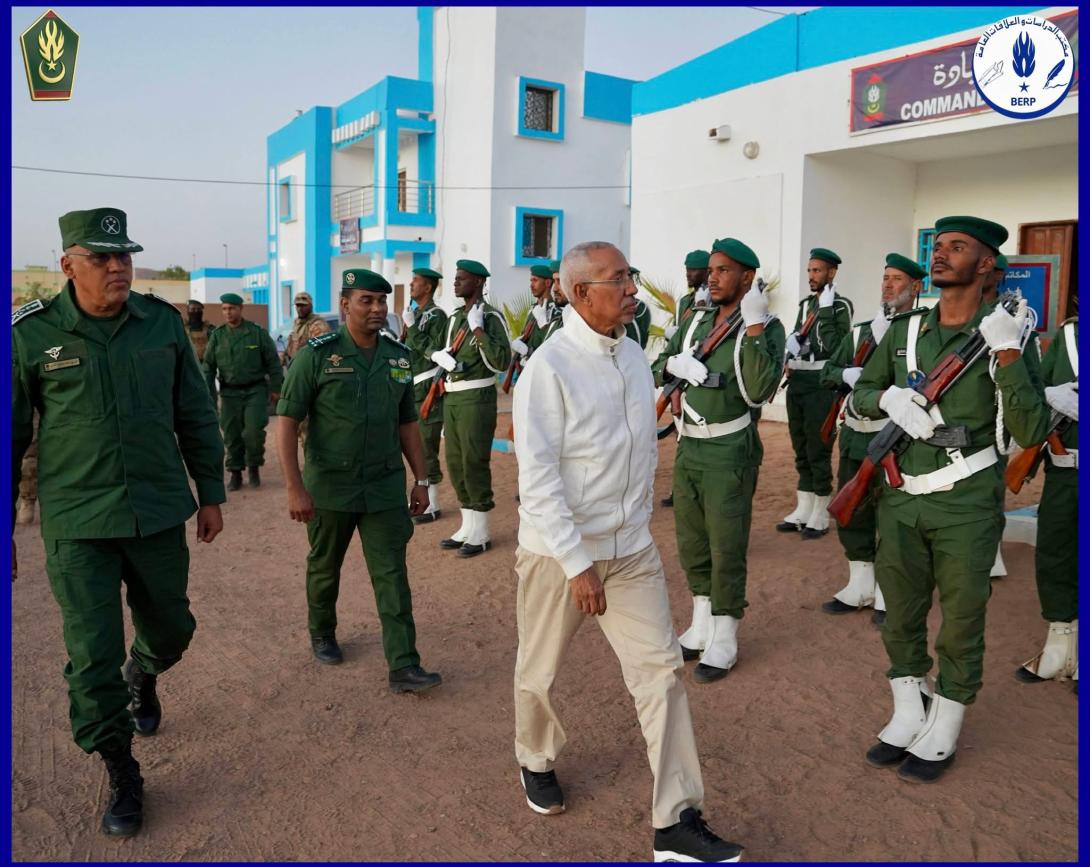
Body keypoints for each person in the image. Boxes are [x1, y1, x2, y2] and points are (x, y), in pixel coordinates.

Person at [512, 241, 743, 862]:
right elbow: (539, 479)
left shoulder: (635, 355)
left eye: (630, 277)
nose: (633, 289)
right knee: (539, 671)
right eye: (618, 280)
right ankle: (535, 756)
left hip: (631, 550)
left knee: (662, 675)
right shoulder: (549, 369)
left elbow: (641, 450)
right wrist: (577, 563)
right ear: (580, 293)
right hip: (560, 553)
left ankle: (677, 821)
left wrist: (635, 525)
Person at [11, 207, 225, 836]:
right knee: (91, 656)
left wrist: (211, 491)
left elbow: (194, 412)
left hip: (156, 510)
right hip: (78, 523)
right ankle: (120, 767)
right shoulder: (29, 334)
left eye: (124, 255)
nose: (117, 266)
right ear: (67, 265)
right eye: (101, 257)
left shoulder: (160, 323)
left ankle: (146, 670)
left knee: (173, 627)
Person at [852, 216, 1049, 783]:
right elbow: (861, 393)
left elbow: (1031, 428)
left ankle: (948, 717)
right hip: (901, 497)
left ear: (986, 264)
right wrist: (888, 398)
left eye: (957, 248)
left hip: (966, 501)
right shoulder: (907, 329)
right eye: (937, 247)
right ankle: (908, 706)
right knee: (900, 610)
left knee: (961, 617)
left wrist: (1007, 354)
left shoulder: (1007, 335)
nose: (939, 255)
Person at [276, 268, 442, 691]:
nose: (376, 308)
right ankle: (322, 631)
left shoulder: (397, 357)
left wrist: (421, 479)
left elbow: (408, 424)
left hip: (383, 486)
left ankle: (403, 664)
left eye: (381, 301)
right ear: (345, 304)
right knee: (325, 566)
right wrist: (295, 487)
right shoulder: (316, 355)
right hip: (330, 486)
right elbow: (287, 420)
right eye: (366, 300)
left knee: (392, 574)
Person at [652, 238, 784, 682]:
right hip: (689, 446)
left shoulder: (766, 326)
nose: (712, 277)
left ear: (747, 277)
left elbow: (759, 390)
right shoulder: (696, 320)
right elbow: (657, 365)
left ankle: (725, 632)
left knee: (726, 543)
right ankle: (701, 622)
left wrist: (754, 326)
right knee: (691, 540)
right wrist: (674, 365)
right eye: (711, 270)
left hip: (729, 449)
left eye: (723, 270)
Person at [819, 253, 924, 624]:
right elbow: (827, 372)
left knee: (894, 517)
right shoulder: (859, 332)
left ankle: (888, 592)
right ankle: (860, 583)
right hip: (856, 436)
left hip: (898, 440)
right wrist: (847, 375)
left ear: (916, 287)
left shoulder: (922, 332)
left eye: (897, 279)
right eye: (885, 278)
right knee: (854, 509)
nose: (888, 285)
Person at [430, 260, 512, 557]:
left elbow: (501, 361)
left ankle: (482, 531)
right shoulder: (455, 318)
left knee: (473, 461)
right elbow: (447, 352)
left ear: (478, 282)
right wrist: (440, 356)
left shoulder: (489, 317)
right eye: (455, 278)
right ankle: (467, 526)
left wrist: (478, 331)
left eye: (461, 278)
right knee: (455, 462)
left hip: (477, 398)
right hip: (452, 397)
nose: (455, 282)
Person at [1016, 312, 1078, 690]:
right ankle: (1059, 645)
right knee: (1055, 552)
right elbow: (1037, 389)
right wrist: (1051, 395)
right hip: (1066, 471)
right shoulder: (1069, 335)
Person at [778, 248, 853, 538]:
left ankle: (820, 511)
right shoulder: (804, 305)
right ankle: (804, 507)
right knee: (800, 447)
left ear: (832, 272)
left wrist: (826, 311)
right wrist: (791, 345)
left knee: (818, 447)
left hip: (821, 385)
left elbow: (837, 348)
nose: (812, 276)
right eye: (810, 270)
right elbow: (801, 337)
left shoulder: (840, 306)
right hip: (798, 381)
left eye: (817, 270)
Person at [203, 293, 283, 490]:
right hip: (229, 393)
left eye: (231, 308)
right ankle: (235, 472)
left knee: (254, 433)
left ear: (240, 309)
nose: (228, 312)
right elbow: (208, 367)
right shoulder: (218, 336)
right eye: (224, 309)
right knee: (231, 435)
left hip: (255, 391)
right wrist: (205, 392)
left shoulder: (257, 333)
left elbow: (273, 362)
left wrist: (276, 388)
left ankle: (254, 467)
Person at [663, 249, 712, 508]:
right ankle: (679, 487)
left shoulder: (715, 298)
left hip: (700, 372)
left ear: (705, 271)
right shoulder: (685, 302)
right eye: (686, 269)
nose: (688, 274)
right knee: (680, 432)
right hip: (680, 370)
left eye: (693, 269)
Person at [401, 266, 449, 524]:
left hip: (427, 387)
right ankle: (424, 496)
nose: (411, 284)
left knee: (427, 446)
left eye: (415, 281)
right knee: (415, 445)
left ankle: (433, 503)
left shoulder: (436, 316)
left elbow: (433, 350)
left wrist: (412, 328)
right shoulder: (416, 314)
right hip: (412, 388)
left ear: (428, 287)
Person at [515, 264, 555, 359]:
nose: (531, 285)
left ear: (548, 283)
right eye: (531, 281)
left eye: (535, 280)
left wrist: (528, 351)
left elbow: (551, 345)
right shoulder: (533, 309)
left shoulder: (554, 311)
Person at [283, 290, 332, 366]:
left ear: (310, 306)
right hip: (295, 366)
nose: (300, 309)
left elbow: (322, 352)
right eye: (298, 305)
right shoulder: (297, 323)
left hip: (309, 367)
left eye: (303, 305)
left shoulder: (317, 325)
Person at [184, 299, 217, 399]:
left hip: (206, 367)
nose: (195, 312)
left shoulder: (210, 329)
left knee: (209, 396)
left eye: (198, 310)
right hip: (188, 367)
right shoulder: (182, 329)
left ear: (202, 311)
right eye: (192, 309)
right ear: (187, 311)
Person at [625, 266, 653, 349]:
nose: (634, 289)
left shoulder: (641, 308)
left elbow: (641, 343)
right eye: (618, 279)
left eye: (631, 279)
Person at [540, 258, 567, 343]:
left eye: (560, 281)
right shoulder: (560, 319)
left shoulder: (584, 322)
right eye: (554, 281)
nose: (554, 288)